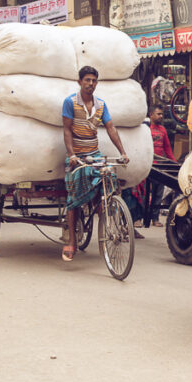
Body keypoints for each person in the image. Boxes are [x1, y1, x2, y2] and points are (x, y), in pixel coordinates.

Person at [62, 66, 129, 261]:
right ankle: (72, 240)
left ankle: (107, 218)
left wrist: (122, 152)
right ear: (80, 82)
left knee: (108, 176)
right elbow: (66, 130)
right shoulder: (70, 103)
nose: (91, 84)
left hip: (94, 153)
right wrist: (72, 154)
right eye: (87, 80)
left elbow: (111, 128)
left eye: (94, 81)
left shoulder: (101, 105)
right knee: (73, 197)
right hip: (77, 155)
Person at [145, 105, 176, 226]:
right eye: (158, 114)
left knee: (158, 193)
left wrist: (173, 162)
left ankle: (155, 219)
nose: (161, 116)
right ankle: (141, 217)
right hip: (148, 165)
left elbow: (167, 148)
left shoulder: (162, 130)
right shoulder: (146, 129)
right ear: (151, 115)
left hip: (160, 166)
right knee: (145, 193)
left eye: (162, 114)